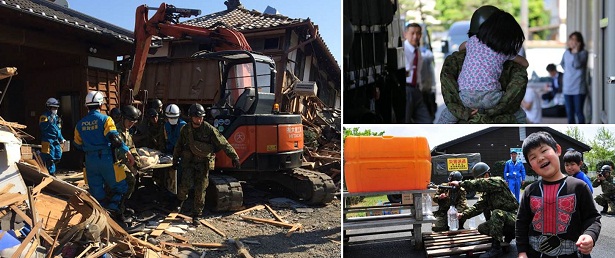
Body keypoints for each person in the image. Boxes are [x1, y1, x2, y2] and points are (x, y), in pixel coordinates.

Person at [517, 131, 601, 258]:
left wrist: (590, 235)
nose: (540, 158)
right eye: (533, 157)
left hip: (573, 253)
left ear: (557, 150)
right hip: (536, 253)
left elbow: (592, 218)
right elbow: (521, 222)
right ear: (531, 166)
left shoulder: (579, 186)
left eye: (544, 150)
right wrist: (522, 252)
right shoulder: (530, 191)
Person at [440, 5, 528, 123]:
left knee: (447, 115)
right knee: (520, 115)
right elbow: (524, 65)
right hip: (493, 100)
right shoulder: (502, 51)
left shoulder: (470, 44)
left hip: (465, 98)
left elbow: (461, 49)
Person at [171, 104, 241, 223]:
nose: (199, 120)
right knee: (184, 185)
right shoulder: (186, 130)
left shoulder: (209, 129)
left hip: (203, 164)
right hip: (189, 163)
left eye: (201, 117)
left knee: (201, 189)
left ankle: (197, 214)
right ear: (191, 117)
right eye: (197, 117)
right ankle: (179, 202)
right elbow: (178, 146)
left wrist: (234, 157)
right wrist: (175, 161)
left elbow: (223, 142)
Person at [73, 91, 135, 220]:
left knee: (97, 193)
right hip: (106, 159)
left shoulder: (80, 124)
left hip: (90, 161)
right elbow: (115, 139)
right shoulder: (106, 119)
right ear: (100, 105)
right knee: (122, 187)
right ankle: (115, 213)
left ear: (87, 106)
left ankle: (101, 219)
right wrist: (127, 152)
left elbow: (77, 144)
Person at [449, 162, 517, 258]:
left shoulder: (498, 182)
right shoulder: (486, 195)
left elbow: (480, 184)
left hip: (514, 219)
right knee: (482, 228)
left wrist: (461, 183)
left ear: (486, 175)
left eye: (478, 178)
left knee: (497, 213)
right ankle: (500, 238)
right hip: (501, 221)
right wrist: (462, 215)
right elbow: (477, 207)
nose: (477, 181)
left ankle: (496, 248)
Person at [403, 23, 432, 124]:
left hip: (417, 90)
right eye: (412, 33)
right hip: (406, 90)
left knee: (427, 122)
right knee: (405, 122)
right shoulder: (403, 50)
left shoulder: (417, 50)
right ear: (405, 34)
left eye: (418, 33)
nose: (415, 36)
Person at [115, 105, 141, 215]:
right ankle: (118, 208)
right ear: (123, 118)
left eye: (133, 122)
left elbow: (131, 147)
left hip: (124, 163)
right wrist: (131, 166)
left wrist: (136, 158)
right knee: (129, 180)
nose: (131, 124)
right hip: (116, 163)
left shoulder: (127, 132)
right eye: (129, 121)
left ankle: (123, 205)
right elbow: (120, 153)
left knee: (135, 177)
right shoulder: (116, 132)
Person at [561, 32, 588, 124]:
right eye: (570, 39)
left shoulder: (583, 53)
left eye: (574, 39)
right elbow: (562, 64)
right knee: (569, 113)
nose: (572, 42)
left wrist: (576, 52)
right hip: (567, 88)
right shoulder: (566, 52)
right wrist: (569, 72)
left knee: (579, 112)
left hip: (578, 89)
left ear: (579, 42)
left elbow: (577, 65)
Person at [39, 97, 66, 175]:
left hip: (55, 141)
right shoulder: (44, 117)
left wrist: (62, 139)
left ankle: (52, 171)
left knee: (58, 156)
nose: (55, 109)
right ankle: (50, 173)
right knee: (49, 158)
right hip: (47, 141)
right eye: (54, 108)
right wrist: (49, 121)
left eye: (56, 108)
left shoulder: (57, 118)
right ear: (49, 107)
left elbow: (58, 130)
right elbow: (42, 127)